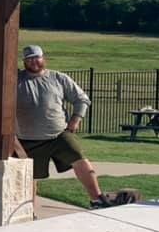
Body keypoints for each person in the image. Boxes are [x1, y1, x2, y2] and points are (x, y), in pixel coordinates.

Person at [16, 45, 114, 209]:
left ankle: (97, 199)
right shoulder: (15, 79)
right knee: (30, 177)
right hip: (26, 138)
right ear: (24, 61)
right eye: (29, 58)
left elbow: (81, 99)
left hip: (59, 134)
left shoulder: (58, 78)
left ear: (43, 58)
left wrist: (76, 119)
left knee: (80, 160)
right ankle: (28, 211)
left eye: (37, 57)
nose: (34, 61)